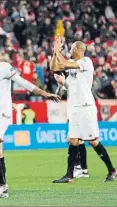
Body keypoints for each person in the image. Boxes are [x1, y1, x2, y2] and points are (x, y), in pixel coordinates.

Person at [0, 39, 60, 199]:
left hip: (1, 116)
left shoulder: (3, 67)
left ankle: (1, 186)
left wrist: (45, 94)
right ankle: (3, 188)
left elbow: (24, 83)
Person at [51, 37, 115, 183]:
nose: (71, 50)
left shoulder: (86, 62)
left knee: (93, 141)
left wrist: (57, 51)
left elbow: (63, 63)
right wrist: (55, 54)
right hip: (74, 107)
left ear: (79, 50)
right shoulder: (73, 65)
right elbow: (56, 66)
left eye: (73, 48)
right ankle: (69, 175)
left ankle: (112, 170)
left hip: (86, 107)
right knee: (73, 140)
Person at [55, 74, 89, 179]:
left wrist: (64, 82)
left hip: (80, 111)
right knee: (79, 141)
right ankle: (83, 170)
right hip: (73, 113)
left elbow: (76, 91)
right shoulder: (69, 79)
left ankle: (78, 168)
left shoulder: (80, 78)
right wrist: (60, 85)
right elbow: (58, 96)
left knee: (73, 139)